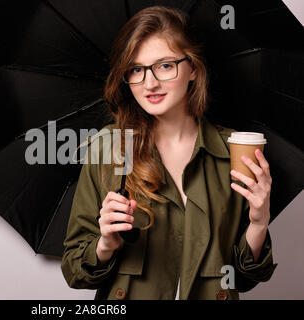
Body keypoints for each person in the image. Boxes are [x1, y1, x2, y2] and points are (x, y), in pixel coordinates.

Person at [61, 6, 277, 300]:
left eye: (164, 65)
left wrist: (259, 222)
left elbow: (247, 277)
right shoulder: (108, 147)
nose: (149, 83)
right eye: (136, 69)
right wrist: (105, 244)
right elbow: (74, 271)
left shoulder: (235, 151)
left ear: (193, 70)